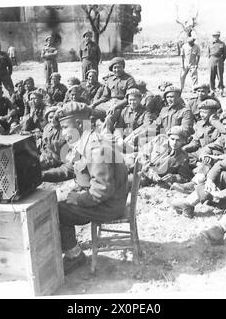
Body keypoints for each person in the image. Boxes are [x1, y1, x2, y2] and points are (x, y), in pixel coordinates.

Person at [42, 102, 129, 274]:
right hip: (105, 198)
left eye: (66, 127)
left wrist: (78, 198)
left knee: (58, 210)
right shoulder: (86, 140)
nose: (63, 132)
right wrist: (43, 175)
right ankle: (68, 245)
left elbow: (102, 189)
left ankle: (74, 256)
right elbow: (70, 168)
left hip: (109, 205)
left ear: (80, 125)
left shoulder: (96, 149)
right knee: (59, 199)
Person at [172, 109, 226, 194]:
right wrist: (205, 154)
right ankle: (195, 184)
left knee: (213, 160)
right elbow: (212, 145)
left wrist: (216, 158)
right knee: (209, 158)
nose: (225, 127)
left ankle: (195, 185)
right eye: (223, 124)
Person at [137, 125, 193, 190]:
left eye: (178, 140)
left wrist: (173, 177)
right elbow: (142, 154)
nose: (174, 143)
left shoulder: (183, 157)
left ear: (183, 141)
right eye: (172, 139)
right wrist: (150, 171)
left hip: (152, 181)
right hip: (140, 170)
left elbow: (185, 177)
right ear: (168, 137)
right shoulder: (159, 140)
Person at [92, 57, 136, 125]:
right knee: (90, 111)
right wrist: (94, 104)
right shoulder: (110, 79)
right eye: (115, 68)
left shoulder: (129, 79)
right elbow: (105, 97)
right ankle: (87, 132)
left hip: (122, 105)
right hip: (109, 103)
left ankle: (106, 134)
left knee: (109, 117)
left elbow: (128, 98)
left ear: (123, 67)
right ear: (112, 69)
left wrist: (115, 107)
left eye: (119, 67)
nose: (117, 70)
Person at [182, 99, 221, 168]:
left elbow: (219, 145)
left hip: (214, 154)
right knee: (181, 155)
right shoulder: (199, 124)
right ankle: (198, 164)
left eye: (205, 112)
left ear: (214, 113)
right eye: (201, 112)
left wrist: (207, 153)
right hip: (201, 152)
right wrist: (185, 148)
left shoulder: (220, 126)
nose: (202, 115)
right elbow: (196, 142)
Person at [40, 106, 66, 170]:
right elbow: (44, 146)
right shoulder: (47, 127)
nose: (53, 120)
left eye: (55, 117)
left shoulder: (65, 129)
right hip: (47, 155)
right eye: (50, 117)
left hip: (60, 158)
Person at [207, 31, 226, 96]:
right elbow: (208, 53)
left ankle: (221, 89)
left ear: (219, 36)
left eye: (217, 35)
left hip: (219, 60)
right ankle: (212, 89)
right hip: (212, 60)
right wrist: (211, 59)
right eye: (214, 36)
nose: (215, 37)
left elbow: (225, 53)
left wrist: (221, 60)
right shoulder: (210, 44)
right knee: (211, 76)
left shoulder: (222, 44)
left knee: (220, 76)